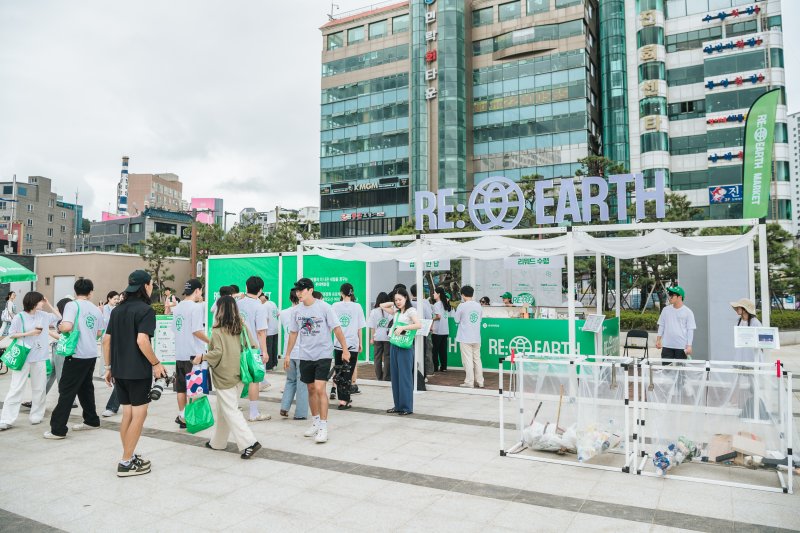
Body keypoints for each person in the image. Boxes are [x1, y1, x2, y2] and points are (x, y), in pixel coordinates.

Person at [103, 270, 166, 477]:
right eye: (151, 285)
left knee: (128, 414)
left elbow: (106, 341)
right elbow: (142, 340)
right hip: (138, 371)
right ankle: (126, 462)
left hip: (119, 370)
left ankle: (128, 455)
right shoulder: (146, 310)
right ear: (146, 286)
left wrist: (108, 368)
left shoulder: (117, 310)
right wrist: (156, 364)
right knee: (139, 415)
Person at [193, 296, 261, 459]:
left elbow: (217, 353)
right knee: (224, 410)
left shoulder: (217, 330)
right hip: (241, 373)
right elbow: (254, 345)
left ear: (220, 310)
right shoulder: (241, 326)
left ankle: (250, 442)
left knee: (230, 410)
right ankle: (218, 442)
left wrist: (202, 357)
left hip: (224, 375)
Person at [284, 277, 350, 443]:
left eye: (302, 290)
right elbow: (293, 333)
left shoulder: (324, 307)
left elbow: (337, 328)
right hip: (305, 355)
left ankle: (323, 426)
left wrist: (345, 349)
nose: (299, 293)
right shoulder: (296, 311)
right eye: (297, 290)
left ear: (311, 290)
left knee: (320, 388)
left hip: (323, 354)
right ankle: (315, 422)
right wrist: (287, 354)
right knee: (311, 389)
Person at [45, 278, 105, 439]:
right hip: (91, 354)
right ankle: (91, 420)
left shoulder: (72, 305)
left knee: (67, 390)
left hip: (76, 354)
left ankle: (57, 429)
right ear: (91, 292)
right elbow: (99, 333)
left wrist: (59, 326)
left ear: (75, 291)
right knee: (85, 388)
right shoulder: (96, 309)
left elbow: (67, 326)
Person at [0, 292, 61, 431]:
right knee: (16, 388)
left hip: (39, 356)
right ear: (34, 302)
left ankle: (36, 415)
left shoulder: (44, 316)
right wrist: (29, 333)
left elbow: (60, 317)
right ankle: (6, 419)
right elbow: (12, 334)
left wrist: (49, 303)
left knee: (39, 388)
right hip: (24, 356)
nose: (43, 303)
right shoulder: (20, 317)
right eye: (41, 301)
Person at [171, 279, 209, 429]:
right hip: (195, 355)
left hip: (180, 353)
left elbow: (175, 329)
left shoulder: (177, 307)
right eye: (201, 291)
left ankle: (183, 416)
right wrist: (210, 341)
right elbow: (197, 331)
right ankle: (192, 419)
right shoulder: (195, 307)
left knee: (181, 388)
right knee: (195, 390)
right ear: (197, 291)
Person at [380, 287, 421, 415]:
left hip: (405, 347)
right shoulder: (397, 312)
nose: (397, 302)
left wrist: (403, 328)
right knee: (396, 377)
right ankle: (398, 405)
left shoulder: (411, 311)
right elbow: (381, 305)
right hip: (394, 345)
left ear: (406, 298)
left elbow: (418, 324)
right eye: (396, 299)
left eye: (400, 299)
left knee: (404, 377)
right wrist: (393, 303)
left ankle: (406, 407)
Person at [236, 276, 271, 421]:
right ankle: (254, 413)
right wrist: (265, 351)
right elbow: (261, 331)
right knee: (254, 380)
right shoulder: (259, 306)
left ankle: (233, 409)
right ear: (261, 290)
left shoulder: (237, 303)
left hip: (236, 346)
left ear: (246, 286)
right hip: (253, 348)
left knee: (237, 379)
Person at [331, 283, 366, 410]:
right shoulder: (357, 307)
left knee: (340, 372)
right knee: (348, 372)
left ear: (341, 293)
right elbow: (359, 327)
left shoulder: (335, 306)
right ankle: (344, 400)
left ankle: (342, 399)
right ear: (352, 293)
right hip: (352, 344)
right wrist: (361, 343)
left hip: (338, 345)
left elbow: (331, 325)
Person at [279, 289, 307, 420]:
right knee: (302, 383)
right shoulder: (303, 311)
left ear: (290, 299)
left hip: (288, 352)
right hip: (302, 353)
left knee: (290, 380)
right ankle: (300, 413)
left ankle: (284, 407)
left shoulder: (283, 313)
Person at [454, 285, 484, 388]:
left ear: (462, 295)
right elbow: (479, 319)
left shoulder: (462, 306)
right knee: (477, 359)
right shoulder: (478, 305)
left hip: (465, 337)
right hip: (476, 337)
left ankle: (469, 382)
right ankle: (480, 381)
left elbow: (456, 320)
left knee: (467, 360)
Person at [655, 285, 696, 361]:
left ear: (680, 297)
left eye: (672, 295)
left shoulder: (688, 312)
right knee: (667, 371)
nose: (669, 296)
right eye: (669, 294)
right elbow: (661, 326)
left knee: (680, 371)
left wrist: (689, 346)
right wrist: (658, 340)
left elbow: (690, 330)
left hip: (681, 347)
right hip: (667, 346)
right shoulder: (665, 310)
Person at [410, 284, 434, 377]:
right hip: (422, 331)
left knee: (411, 352)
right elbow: (429, 317)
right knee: (425, 352)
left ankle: (413, 372)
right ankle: (425, 373)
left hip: (410, 331)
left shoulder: (409, 303)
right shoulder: (424, 303)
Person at [368, 292, 392, 381]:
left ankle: (379, 376)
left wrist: (372, 338)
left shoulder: (374, 312)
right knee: (387, 357)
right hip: (388, 337)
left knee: (377, 358)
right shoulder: (390, 310)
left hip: (377, 337)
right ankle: (386, 377)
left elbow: (372, 326)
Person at [730, 298, 763, 363]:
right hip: (741, 356)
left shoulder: (755, 322)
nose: (736, 309)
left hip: (752, 357)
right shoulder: (739, 321)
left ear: (744, 309)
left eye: (738, 307)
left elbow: (760, 340)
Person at [431, 287, 452, 373]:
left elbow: (438, 316)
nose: (433, 294)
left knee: (435, 350)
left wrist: (431, 320)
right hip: (445, 330)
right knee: (443, 350)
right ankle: (444, 367)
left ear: (438, 294)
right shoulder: (445, 303)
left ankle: (435, 367)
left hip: (437, 330)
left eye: (434, 293)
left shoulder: (437, 304)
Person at [263, 293, 279, 371]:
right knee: (274, 347)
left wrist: (264, 331)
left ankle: (269, 366)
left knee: (268, 348)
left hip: (269, 330)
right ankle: (274, 364)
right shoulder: (273, 303)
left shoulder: (265, 305)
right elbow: (277, 314)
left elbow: (266, 319)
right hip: (275, 329)